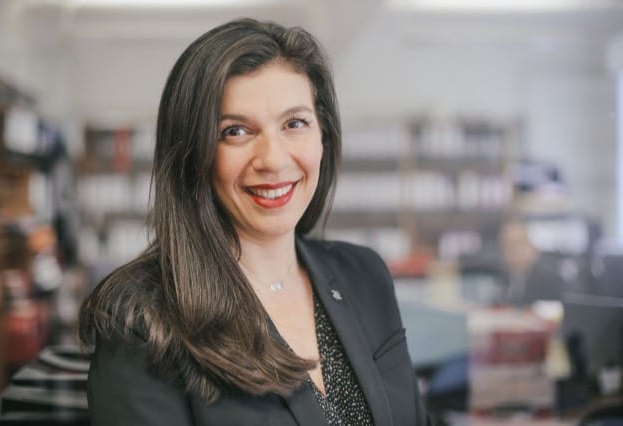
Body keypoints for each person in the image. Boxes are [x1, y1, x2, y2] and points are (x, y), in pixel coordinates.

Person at [79, 18, 430, 425]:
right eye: (236, 131)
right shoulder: (142, 320)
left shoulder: (363, 275)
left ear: (323, 136)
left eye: (294, 123)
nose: (274, 160)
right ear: (193, 152)